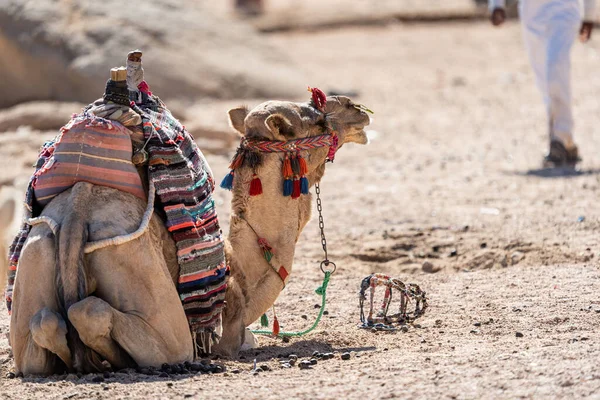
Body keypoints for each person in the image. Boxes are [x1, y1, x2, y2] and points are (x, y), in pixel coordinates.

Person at [489, 0, 596, 166]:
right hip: (532, 16)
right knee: (544, 79)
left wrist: (589, 14)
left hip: (565, 10)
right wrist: (496, 5)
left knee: (556, 66)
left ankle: (560, 137)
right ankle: (564, 142)